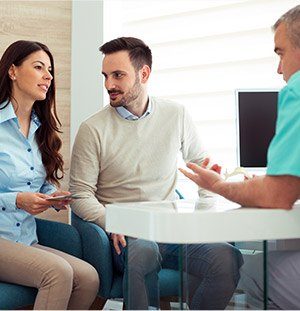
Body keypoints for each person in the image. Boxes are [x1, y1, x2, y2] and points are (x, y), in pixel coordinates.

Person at [70, 36, 243, 309]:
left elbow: (202, 166)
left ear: (144, 73)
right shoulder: (92, 129)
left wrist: (209, 194)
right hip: (127, 239)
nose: (108, 85)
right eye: (105, 76)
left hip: (170, 231)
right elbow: (80, 195)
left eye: (117, 75)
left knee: (227, 257)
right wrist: (115, 221)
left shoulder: (176, 114)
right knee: (144, 251)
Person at [180, 5, 300, 309]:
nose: (279, 68)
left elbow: (278, 195)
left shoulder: (296, 91)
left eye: (280, 53)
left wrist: (219, 185)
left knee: (258, 272)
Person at [0, 40, 99, 310]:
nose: (48, 76)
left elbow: (39, 182)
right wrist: (17, 201)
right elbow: (17, 195)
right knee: (58, 273)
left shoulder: (40, 128)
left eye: (50, 70)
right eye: (39, 67)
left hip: (25, 240)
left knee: (89, 278)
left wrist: (50, 196)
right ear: (13, 71)